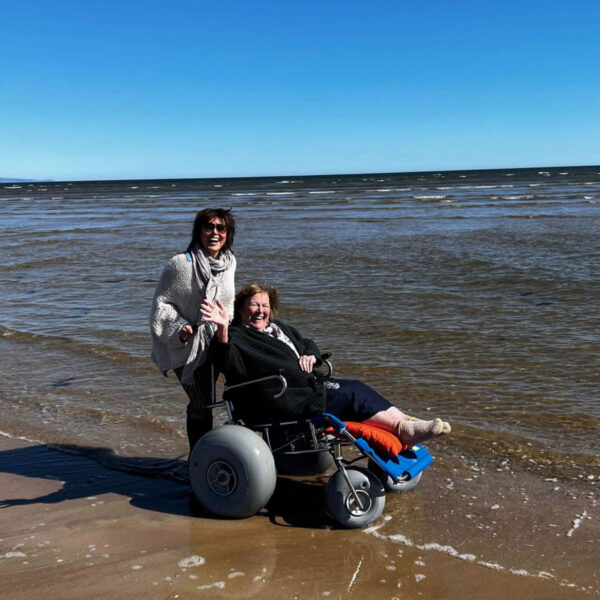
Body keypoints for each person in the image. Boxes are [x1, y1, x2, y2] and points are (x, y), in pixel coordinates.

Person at [201, 284, 451, 447]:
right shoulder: (237, 335)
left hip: (307, 385)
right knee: (351, 394)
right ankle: (403, 428)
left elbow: (307, 343)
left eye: (265, 305)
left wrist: (311, 356)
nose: (260, 310)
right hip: (283, 398)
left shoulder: (278, 329)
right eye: (254, 305)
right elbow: (227, 362)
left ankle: (406, 423)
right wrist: (222, 329)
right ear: (241, 309)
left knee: (355, 386)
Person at [150, 208, 236, 450]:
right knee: (201, 402)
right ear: (199, 231)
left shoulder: (229, 263)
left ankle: (219, 454)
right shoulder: (180, 264)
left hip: (218, 341)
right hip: (185, 345)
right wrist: (180, 327)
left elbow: (227, 304)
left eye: (221, 228)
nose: (215, 233)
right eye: (209, 227)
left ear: (228, 234)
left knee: (231, 395)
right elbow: (161, 304)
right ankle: (198, 459)